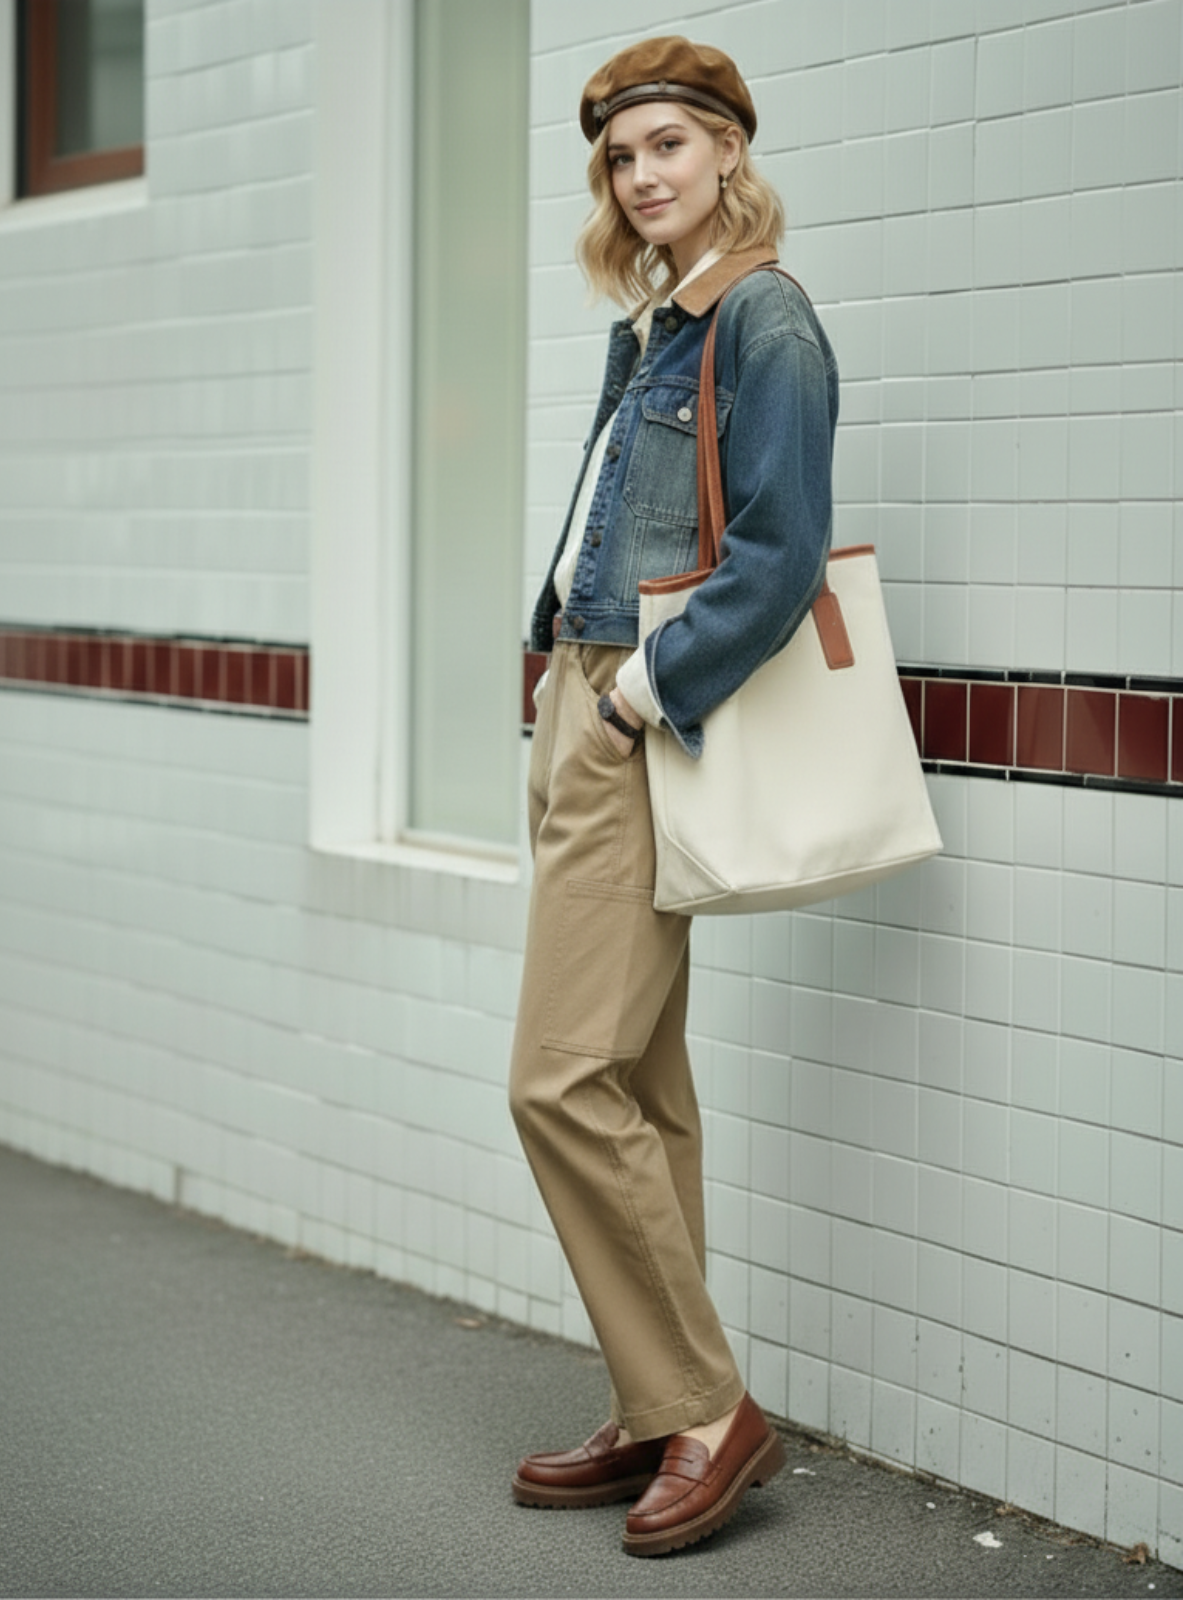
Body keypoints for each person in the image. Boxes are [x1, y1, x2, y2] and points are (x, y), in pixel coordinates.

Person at [508, 36, 838, 1557]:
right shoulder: (650, 319)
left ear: (725, 151)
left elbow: (774, 556)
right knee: (637, 1082)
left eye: (665, 145)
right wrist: (547, 656)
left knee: (556, 1080)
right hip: (584, 705)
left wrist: (637, 691)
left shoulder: (758, 317)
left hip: (640, 717)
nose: (641, 175)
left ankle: (708, 1407)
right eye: (619, 156)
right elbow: (604, 508)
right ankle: (658, 1404)